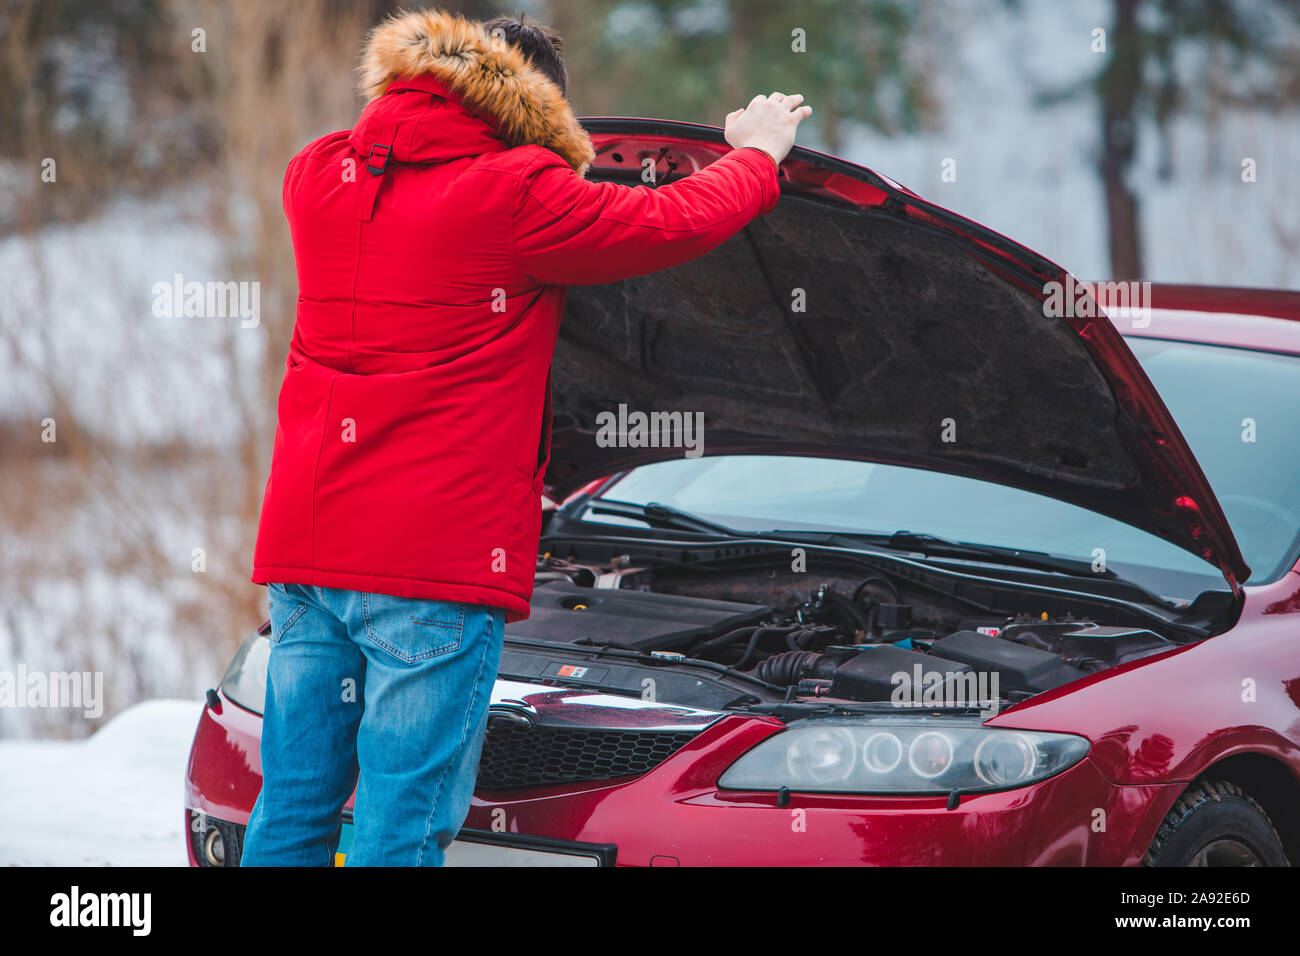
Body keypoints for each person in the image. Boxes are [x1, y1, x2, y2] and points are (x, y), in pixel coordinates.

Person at [242, 8, 811, 866]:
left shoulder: (317, 174)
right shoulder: (515, 195)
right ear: (534, 105)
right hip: (430, 568)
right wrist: (758, 154)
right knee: (402, 829)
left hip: (308, 554)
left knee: (291, 808)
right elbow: (674, 222)